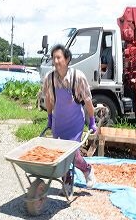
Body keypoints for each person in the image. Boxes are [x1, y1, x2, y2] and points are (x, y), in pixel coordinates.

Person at [42, 43, 97, 191]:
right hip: (59, 122)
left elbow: (87, 100)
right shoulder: (50, 78)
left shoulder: (77, 77)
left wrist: (92, 121)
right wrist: (49, 118)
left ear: (67, 59)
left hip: (74, 122)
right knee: (60, 154)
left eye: (59, 57)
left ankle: (87, 170)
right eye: (54, 58)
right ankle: (67, 181)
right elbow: (48, 99)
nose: (56, 61)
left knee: (72, 153)